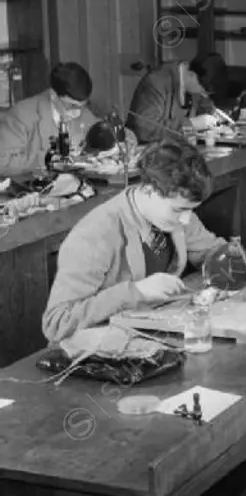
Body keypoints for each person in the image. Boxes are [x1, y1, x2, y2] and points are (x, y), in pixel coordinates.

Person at [42, 139, 225, 343]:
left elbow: (212, 251)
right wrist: (136, 291)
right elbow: (57, 323)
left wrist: (228, 263)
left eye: (191, 210)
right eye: (179, 210)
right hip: (98, 353)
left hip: (149, 335)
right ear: (148, 190)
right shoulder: (95, 234)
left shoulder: (177, 212)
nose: (187, 219)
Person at [0, 62, 102, 174]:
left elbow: (100, 134)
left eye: (82, 106)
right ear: (53, 95)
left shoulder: (83, 113)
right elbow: (2, 162)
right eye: (72, 105)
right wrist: (46, 160)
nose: (78, 112)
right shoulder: (22, 115)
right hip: (30, 186)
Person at [126, 53, 227, 144]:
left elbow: (204, 107)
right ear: (192, 75)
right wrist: (191, 124)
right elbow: (145, 129)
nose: (204, 95)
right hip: (147, 153)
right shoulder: (156, 83)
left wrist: (212, 116)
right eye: (204, 91)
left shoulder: (195, 83)